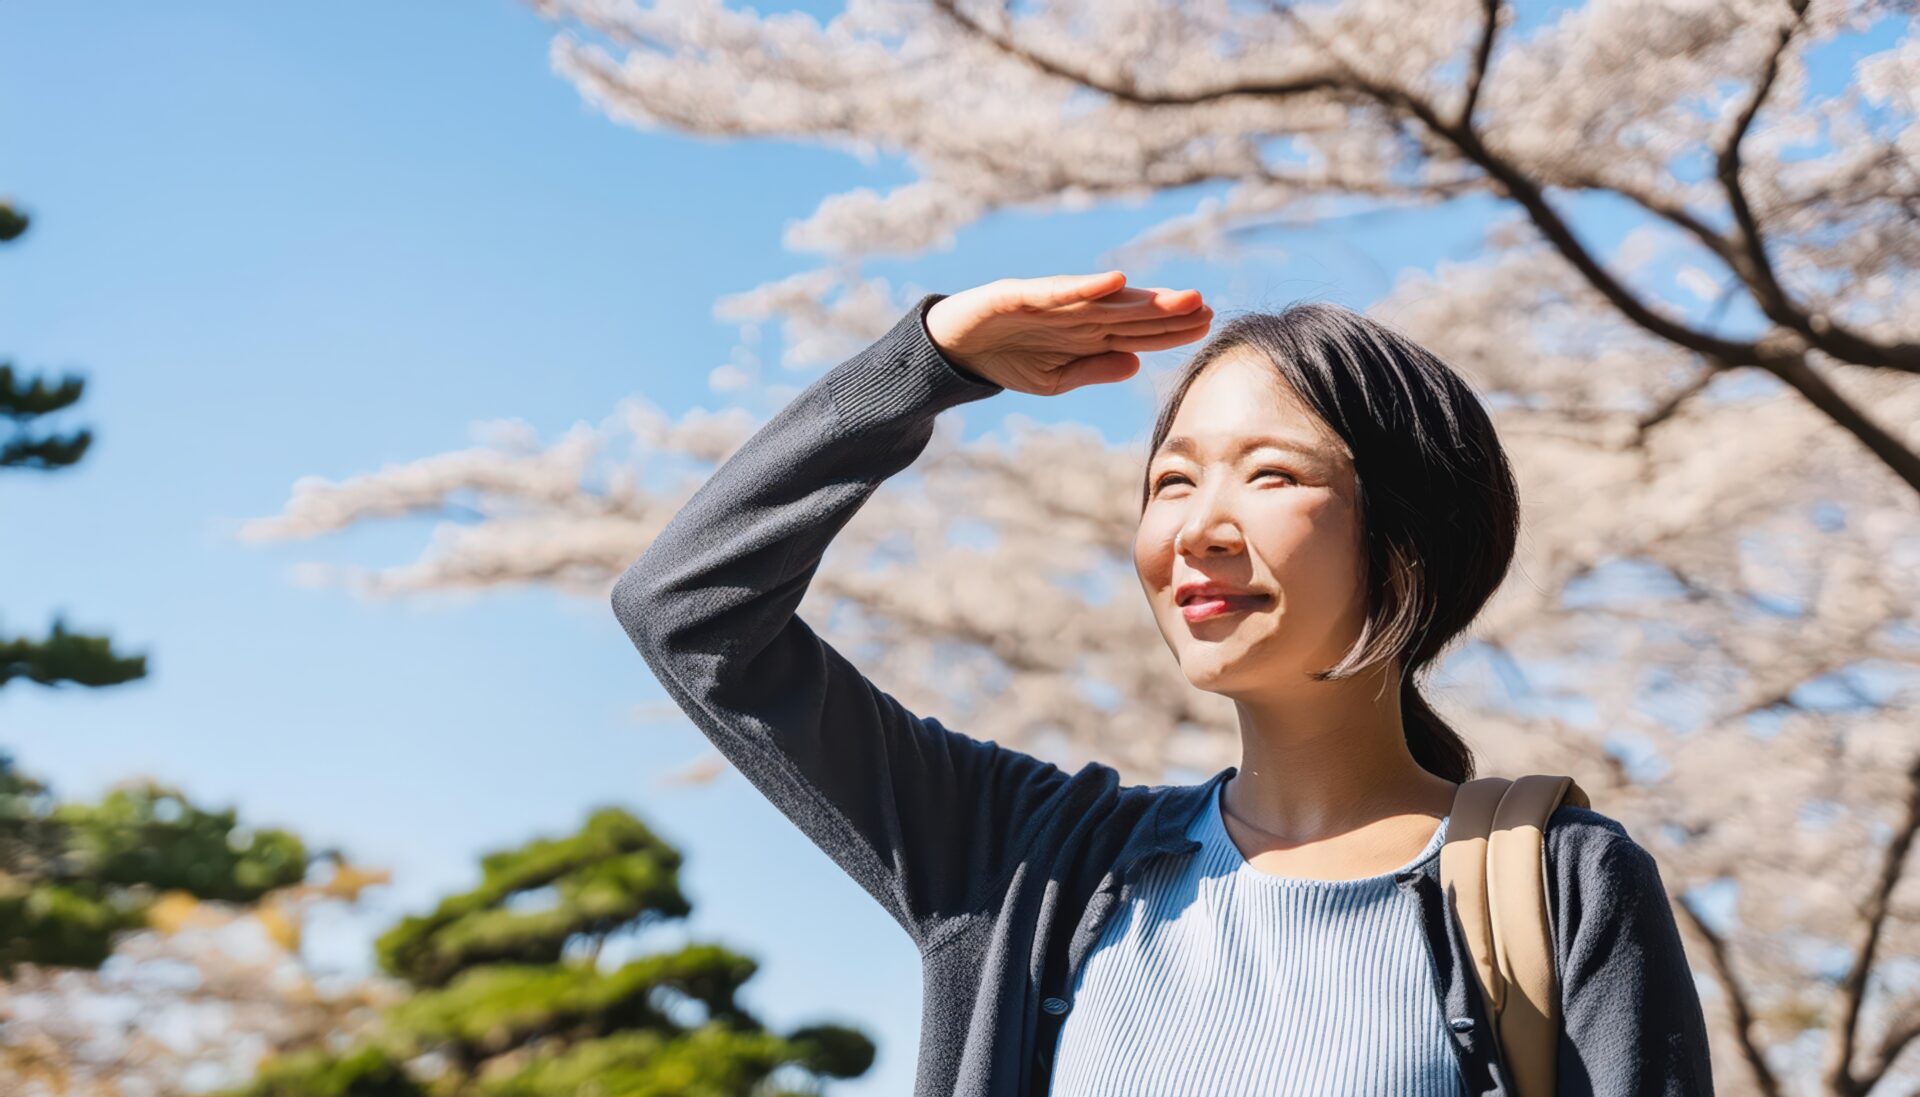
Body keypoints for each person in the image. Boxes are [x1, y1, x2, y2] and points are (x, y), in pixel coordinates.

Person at [611, 271, 1715, 1096]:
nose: (1198, 529)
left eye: (1270, 474)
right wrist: (929, 363)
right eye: (1172, 482)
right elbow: (690, 609)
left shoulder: (1560, 886)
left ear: (1411, 536)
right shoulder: (1028, 861)